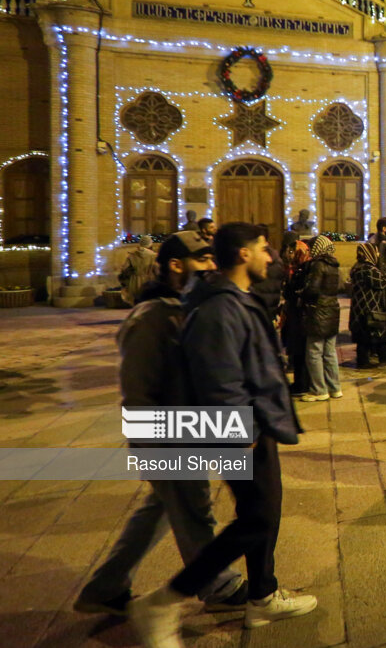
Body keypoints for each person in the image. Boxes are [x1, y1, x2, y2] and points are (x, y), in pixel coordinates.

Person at [128, 224, 316, 643]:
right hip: (239, 428)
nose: (271, 257)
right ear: (244, 254)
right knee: (256, 519)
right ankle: (164, 601)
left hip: (253, 422)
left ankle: (263, 596)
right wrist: (242, 427)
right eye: (264, 250)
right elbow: (218, 374)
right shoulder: (218, 308)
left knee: (264, 513)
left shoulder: (231, 298)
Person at [76, 232, 247, 618]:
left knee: (163, 508)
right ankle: (218, 585)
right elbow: (137, 390)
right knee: (194, 508)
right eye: (203, 259)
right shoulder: (151, 317)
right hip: (167, 433)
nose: (211, 266)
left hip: (191, 427)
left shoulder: (185, 307)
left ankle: (106, 585)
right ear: (176, 265)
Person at [300, 235, 342, 401]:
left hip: (318, 311)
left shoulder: (318, 265)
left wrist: (302, 293)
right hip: (333, 309)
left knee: (314, 351)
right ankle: (335, 387)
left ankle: (319, 390)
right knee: (330, 352)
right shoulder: (334, 264)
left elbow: (313, 289)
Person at [349, 241, 386, 369]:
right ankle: (364, 361)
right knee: (367, 334)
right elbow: (381, 282)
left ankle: (381, 355)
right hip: (368, 307)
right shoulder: (368, 268)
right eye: (376, 251)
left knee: (365, 334)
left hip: (360, 307)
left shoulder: (358, 266)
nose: (378, 254)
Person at [281, 239, 312, 394]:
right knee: (296, 351)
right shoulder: (297, 268)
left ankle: (303, 384)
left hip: (301, 316)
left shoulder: (305, 269)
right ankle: (299, 382)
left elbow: (295, 292)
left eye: (294, 251)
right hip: (295, 315)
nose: (292, 254)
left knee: (301, 351)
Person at [119, 235, 158, 306]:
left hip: (134, 281)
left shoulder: (132, 255)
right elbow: (157, 270)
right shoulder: (154, 255)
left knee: (137, 304)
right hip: (149, 281)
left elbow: (124, 269)